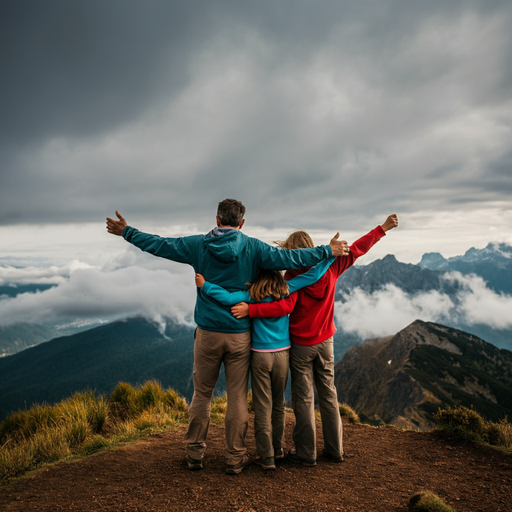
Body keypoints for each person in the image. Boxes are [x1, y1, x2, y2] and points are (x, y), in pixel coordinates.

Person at [106, 199, 350, 475]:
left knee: (202, 395)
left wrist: (127, 232)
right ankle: (235, 459)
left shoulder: (198, 245)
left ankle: (194, 454)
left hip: (208, 333)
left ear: (218, 219)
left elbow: (161, 245)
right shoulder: (254, 247)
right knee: (236, 396)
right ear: (241, 222)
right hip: (240, 335)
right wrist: (327, 251)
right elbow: (291, 259)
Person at [232, 214, 398, 466]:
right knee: (329, 395)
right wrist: (383, 228)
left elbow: (281, 306)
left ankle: (306, 453)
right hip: (326, 342)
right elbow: (357, 249)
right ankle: (335, 450)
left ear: (291, 252)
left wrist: (250, 308)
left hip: (300, 345)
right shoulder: (332, 267)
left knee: (304, 398)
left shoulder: (290, 278)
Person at [195, 254, 335, 470]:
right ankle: (278, 449)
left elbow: (228, 298)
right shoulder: (286, 289)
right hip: (283, 355)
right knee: (278, 405)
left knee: (262, 407)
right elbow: (313, 274)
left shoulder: (252, 294)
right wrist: (328, 258)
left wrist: (205, 286)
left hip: (260, 355)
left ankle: (265, 455)